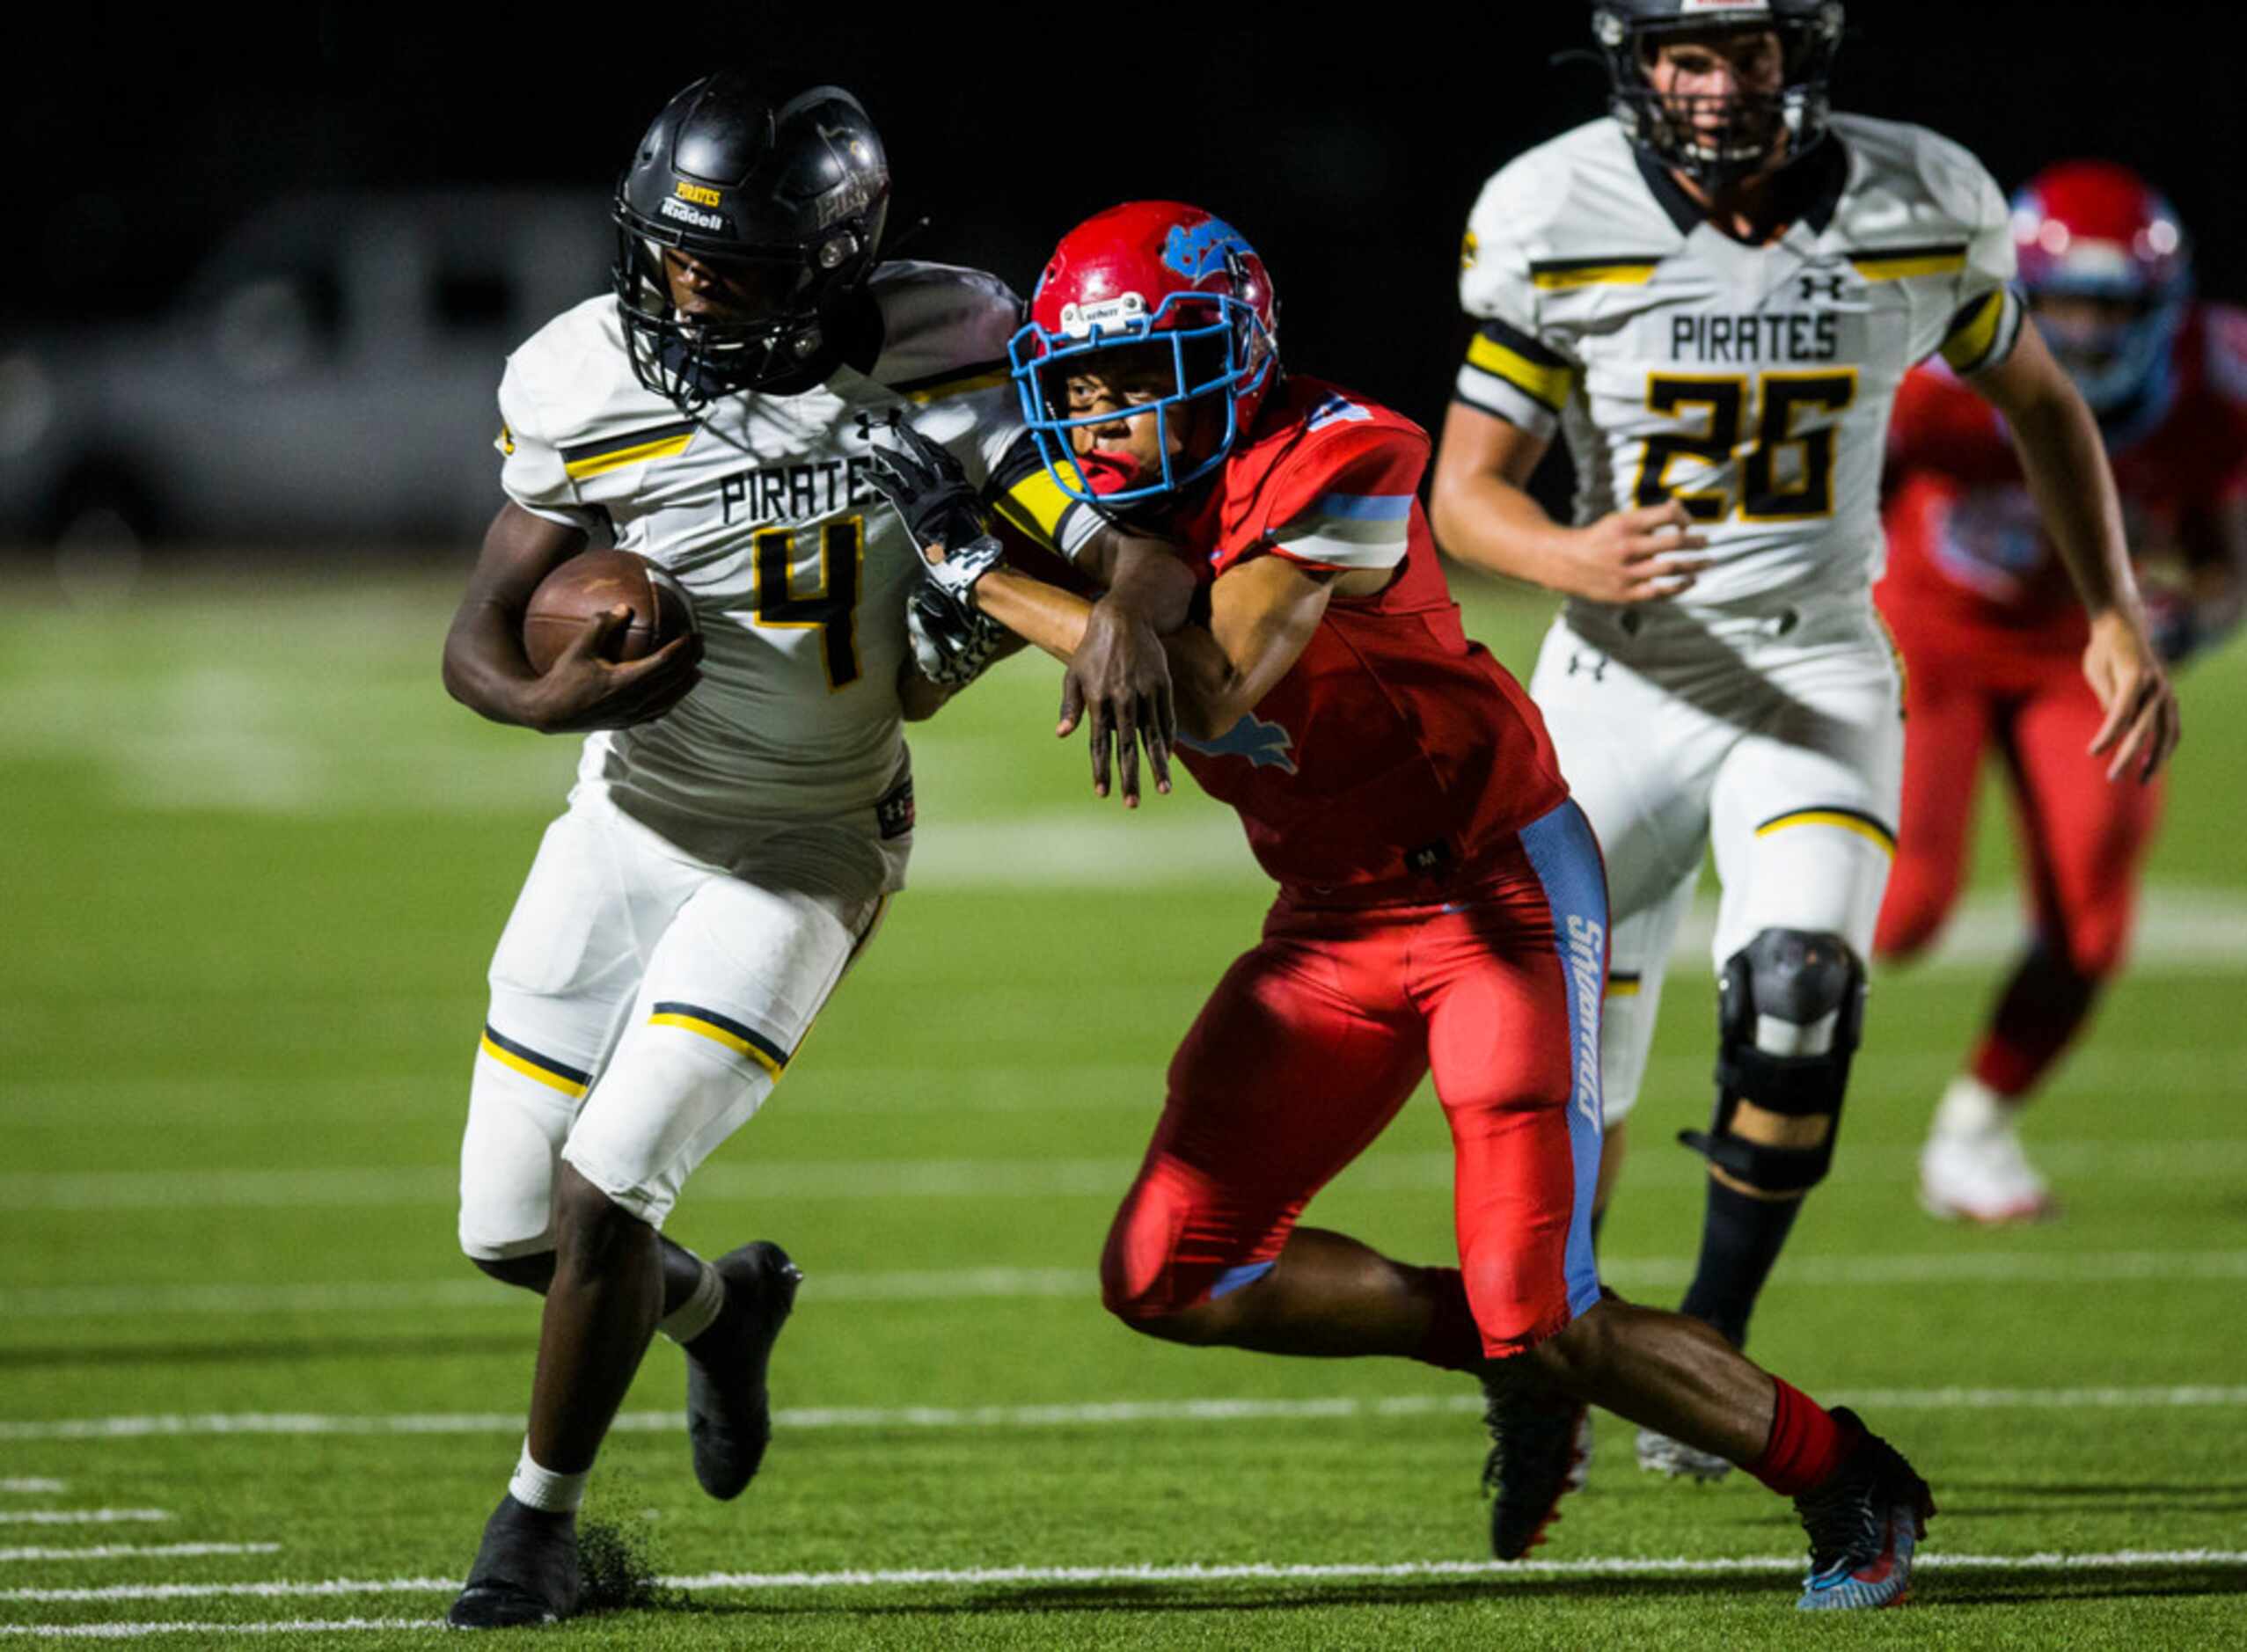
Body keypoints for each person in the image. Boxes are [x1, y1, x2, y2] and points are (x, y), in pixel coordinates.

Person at [867, 199, 1942, 1611]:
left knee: (1545, 1305)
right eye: (1079, 385)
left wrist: (980, 570)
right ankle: (1510, 1352)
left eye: (1139, 378)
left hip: (1489, 894)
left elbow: (1204, 684)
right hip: (1327, 920)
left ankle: (1848, 1474)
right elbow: (1115, 564)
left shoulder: (1344, 455)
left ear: (1231, 352)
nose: (1106, 417)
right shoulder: (1130, 493)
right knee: (1168, 1272)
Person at [435, 75, 1180, 1628]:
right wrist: (546, 693)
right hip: (624, 820)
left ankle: (532, 1530)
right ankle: (724, 1310)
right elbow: (476, 639)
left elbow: (1118, 505)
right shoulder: (576, 373)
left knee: (603, 1193)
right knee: (507, 1225)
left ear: (835, 261)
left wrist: (1120, 589)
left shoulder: (952, 338)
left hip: (810, 843)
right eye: (676, 257)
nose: (692, 293)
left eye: (738, 269)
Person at [1426, 1, 2180, 1482]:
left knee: (1793, 998)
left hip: (1812, 669)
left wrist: (2105, 608)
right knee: (1561, 1075)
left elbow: (2041, 402)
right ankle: (1548, 1361)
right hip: (1612, 683)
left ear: (1802, 58)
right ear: (1633, 63)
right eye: (1684, 58)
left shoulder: (1916, 199)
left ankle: (1706, 1341)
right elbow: (1466, 492)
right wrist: (1567, 552)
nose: (1714, 90)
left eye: (1746, 55)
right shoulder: (1549, 207)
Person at [1875, 161, 2245, 1222]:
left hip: (2079, 650)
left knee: (2089, 917)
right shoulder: (1934, 373)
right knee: (1902, 913)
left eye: (2110, 304)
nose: (2083, 327)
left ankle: (1973, 1134)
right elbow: (1846, 494)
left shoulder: (2208, 387)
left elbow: (2222, 567)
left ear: (2158, 309)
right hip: (1930, 627)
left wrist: (2180, 621)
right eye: (2065, 300)